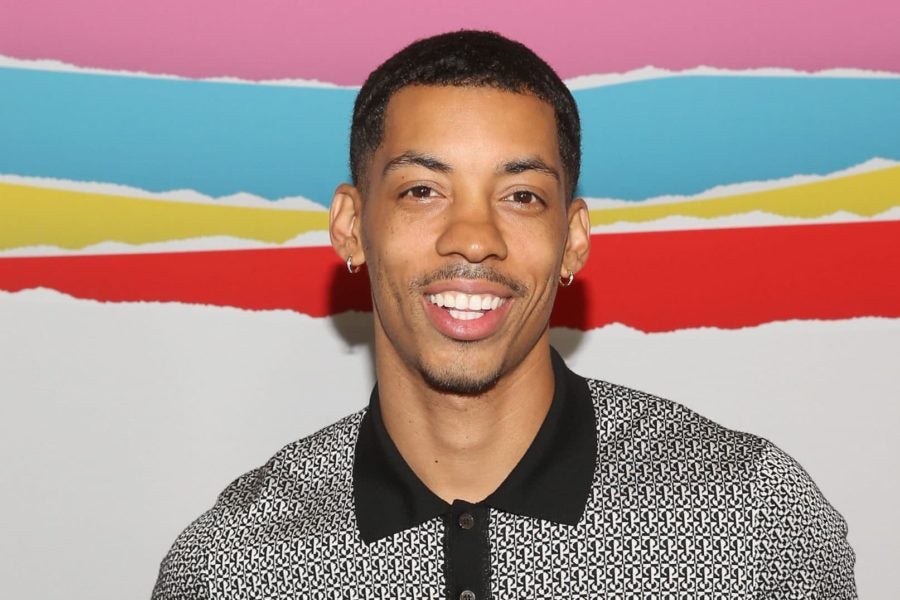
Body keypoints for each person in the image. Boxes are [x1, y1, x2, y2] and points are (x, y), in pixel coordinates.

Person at [152, 30, 855, 599]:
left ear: (572, 239)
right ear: (350, 226)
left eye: (521, 196)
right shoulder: (233, 565)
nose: (474, 238)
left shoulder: (752, 523)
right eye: (423, 190)